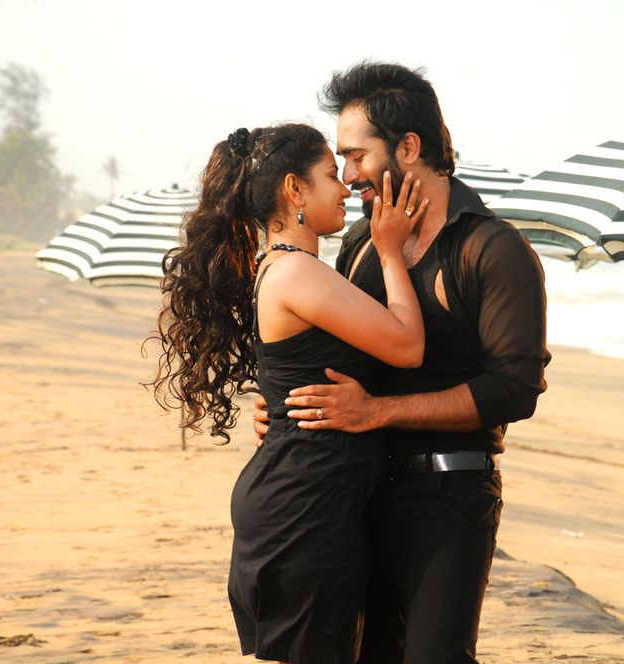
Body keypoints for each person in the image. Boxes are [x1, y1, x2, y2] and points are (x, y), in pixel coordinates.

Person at [255, 63, 551, 663]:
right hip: (351, 492)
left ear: (409, 148)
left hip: (448, 495)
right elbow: (334, 349)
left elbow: (514, 389)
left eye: (356, 156)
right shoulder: (360, 244)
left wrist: (377, 412)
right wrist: (286, 407)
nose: (347, 176)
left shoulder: (493, 249)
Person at [148, 122, 430, 663]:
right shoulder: (297, 272)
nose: (345, 187)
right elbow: (407, 346)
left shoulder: (282, 269)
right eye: (330, 175)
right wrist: (390, 251)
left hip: (303, 498)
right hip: (305, 510)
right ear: (295, 189)